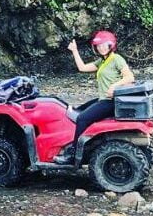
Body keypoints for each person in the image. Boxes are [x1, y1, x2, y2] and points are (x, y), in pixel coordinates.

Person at [54, 30, 135, 165]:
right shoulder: (102, 61)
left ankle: (74, 155)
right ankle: (76, 143)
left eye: (104, 45)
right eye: (98, 45)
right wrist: (74, 50)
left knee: (82, 118)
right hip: (103, 99)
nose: (101, 48)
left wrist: (115, 86)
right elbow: (82, 68)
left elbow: (130, 77)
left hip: (111, 101)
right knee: (76, 111)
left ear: (111, 45)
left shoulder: (116, 59)